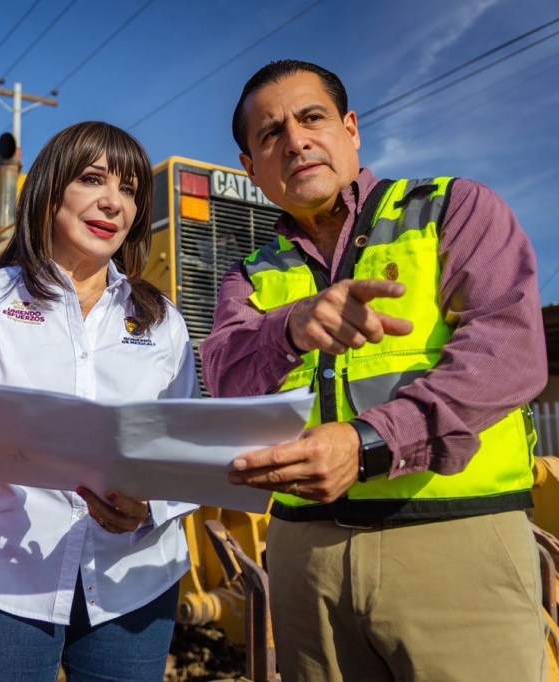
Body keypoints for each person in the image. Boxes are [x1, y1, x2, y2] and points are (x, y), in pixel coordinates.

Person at [200, 59, 548, 680]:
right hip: (304, 558)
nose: (296, 141)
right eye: (270, 134)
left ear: (351, 129)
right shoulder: (247, 275)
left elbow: (508, 350)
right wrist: (287, 327)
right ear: (252, 169)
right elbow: (224, 382)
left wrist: (370, 443)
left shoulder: (453, 210)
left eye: (312, 118)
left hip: (455, 540)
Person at [0, 121, 199, 681]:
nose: (113, 203)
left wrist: (151, 507)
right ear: (49, 191)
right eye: (93, 179)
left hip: (136, 576)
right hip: (7, 576)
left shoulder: (163, 318)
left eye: (130, 190)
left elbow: (184, 444)